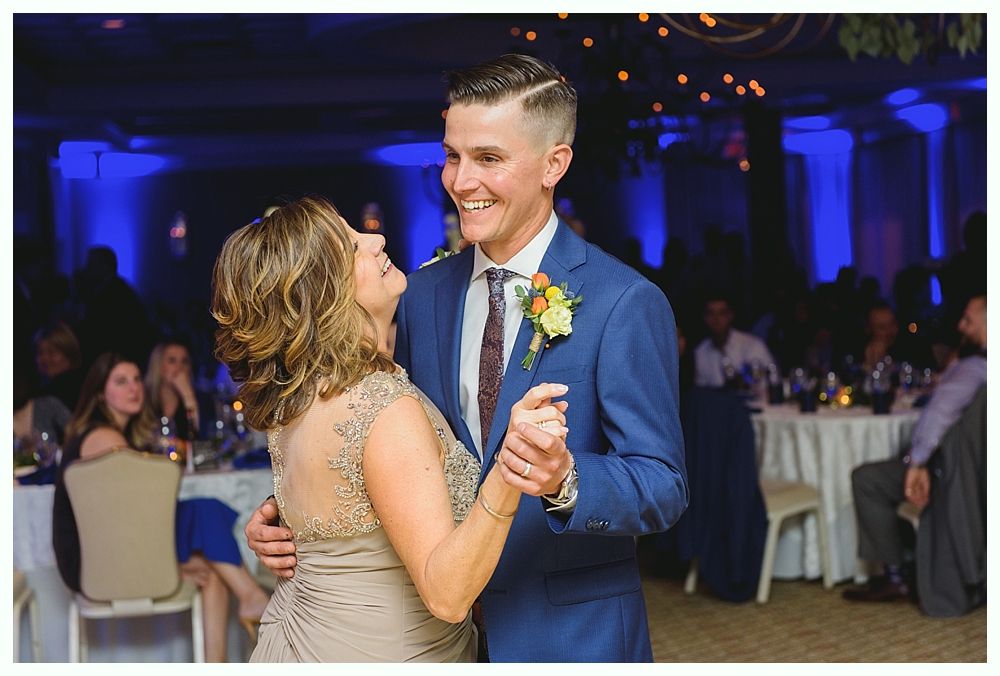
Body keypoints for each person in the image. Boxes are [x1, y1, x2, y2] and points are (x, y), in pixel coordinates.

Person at [245, 53, 688, 662]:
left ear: (553, 165)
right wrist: (291, 517)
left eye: (489, 159)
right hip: (437, 631)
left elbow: (663, 485)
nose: (461, 181)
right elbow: (382, 441)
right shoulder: (423, 292)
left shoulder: (623, 302)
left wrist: (565, 479)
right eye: (453, 156)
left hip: (568, 635)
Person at [212, 195, 567, 662]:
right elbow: (447, 595)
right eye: (352, 247)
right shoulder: (383, 407)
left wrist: (283, 519)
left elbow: (347, 501)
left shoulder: (295, 399)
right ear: (324, 294)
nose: (376, 239)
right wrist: (508, 469)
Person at [52, 352, 270, 662]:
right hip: (99, 563)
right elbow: (130, 519)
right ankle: (251, 596)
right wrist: (171, 566)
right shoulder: (103, 437)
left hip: (110, 554)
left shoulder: (111, 434)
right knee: (202, 509)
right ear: (101, 394)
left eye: (137, 379)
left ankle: (218, 659)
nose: (134, 388)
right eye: (121, 382)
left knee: (210, 565)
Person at [842, 296, 986, 603]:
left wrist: (917, 461)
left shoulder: (975, 367)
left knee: (867, 478)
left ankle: (894, 575)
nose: (960, 326)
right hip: (976, 472)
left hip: (948, 470)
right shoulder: (973, 362)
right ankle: (907, 563)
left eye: (968, 321)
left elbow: (940, 409)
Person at [694, 293, 775, 387]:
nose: (716, 320)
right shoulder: (700, 352)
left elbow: (773, 380)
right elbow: (701, 392)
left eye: (722, 313)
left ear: (730, 316)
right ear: (705, 318)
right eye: (711, 313)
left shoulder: (752, 345)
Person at [146, 340, 210, 441]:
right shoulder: (145, 400)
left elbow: (203, 437)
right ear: (159, 367)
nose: (179, 367)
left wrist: (187, 394)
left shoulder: (202, 400)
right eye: (172, 361)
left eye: (184, 361)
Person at [35, 320, 85, 412]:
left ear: (69, 355)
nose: (44, 359)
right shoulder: (41, 390)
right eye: (40, 353)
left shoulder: (72, 392)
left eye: (52, 352)